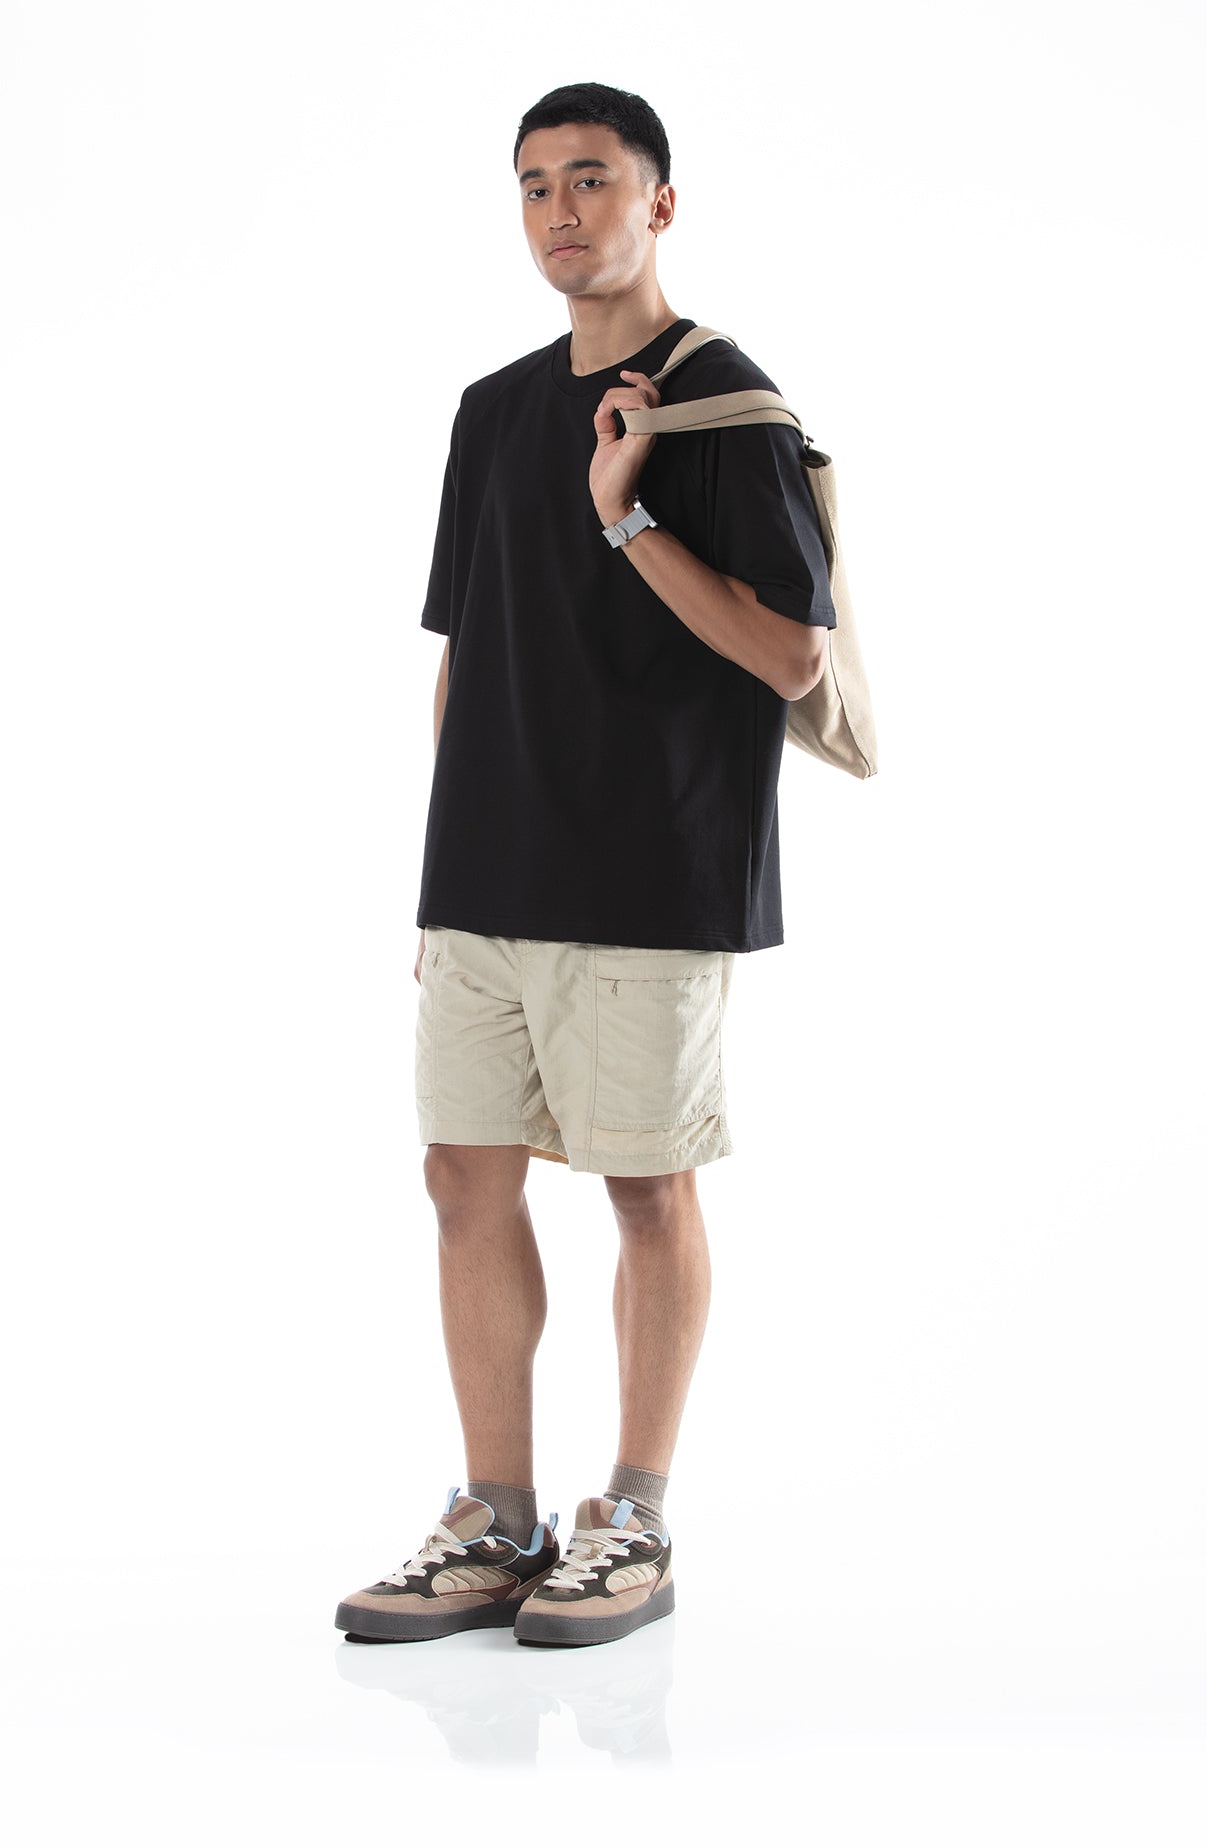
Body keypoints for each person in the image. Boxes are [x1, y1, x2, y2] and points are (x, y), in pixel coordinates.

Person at [335, 82, 836, 1650]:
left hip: (650, 868)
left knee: (643, 1185)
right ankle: (497, 1521)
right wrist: (443, 878)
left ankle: (633, 1516)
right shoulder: (492, 412)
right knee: (461, 1178)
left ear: (659, 203)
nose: (562, 210)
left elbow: (794, 657)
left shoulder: (725, 409)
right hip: (490, 870)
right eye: (536, 183)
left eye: (595, 179)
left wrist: (627, 520)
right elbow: (467, 650)